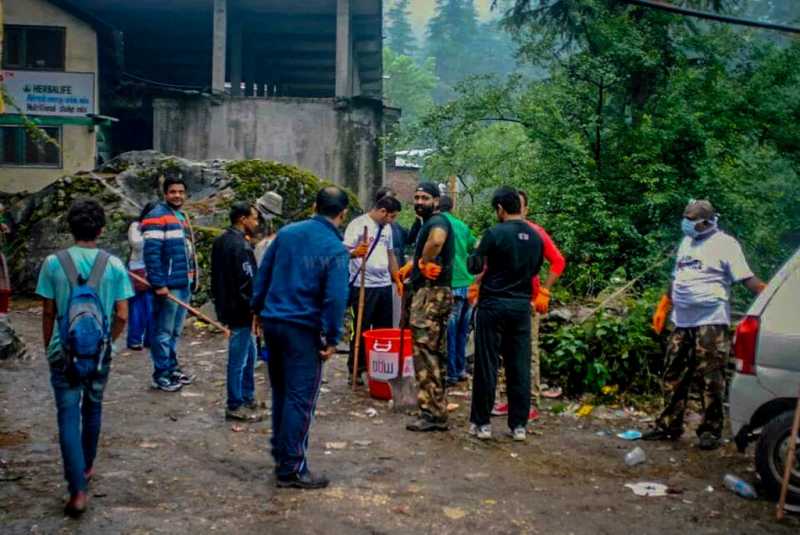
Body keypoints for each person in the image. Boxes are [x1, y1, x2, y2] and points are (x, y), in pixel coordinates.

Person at [35, 199, 134, 516]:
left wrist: (49, 346)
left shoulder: (54, 263)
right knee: (93, 408)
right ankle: (87, 467)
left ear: (71, 228)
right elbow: (122, 315)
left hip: (62, 354)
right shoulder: (114, 265)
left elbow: (48, 311)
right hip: (100, 354)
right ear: (101, 229)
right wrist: (109, 342)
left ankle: (77, 489)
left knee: (67, 416)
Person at [644, 200, 765, 450]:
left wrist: (772, 297)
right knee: (673, 373)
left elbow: (747, 279)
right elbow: (677, 277)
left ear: (708, 222)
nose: (686, 224)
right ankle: (669, 424)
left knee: (710, 377)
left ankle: (710, 430)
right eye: (685, 219)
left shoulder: (725, 244)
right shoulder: (687, 242)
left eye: (692, 220)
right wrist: (664, 304)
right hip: (682, 320)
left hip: (711, 320)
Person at [251, 186, 350, 489]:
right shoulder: (335, 248)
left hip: (274, 324)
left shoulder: (288, 233)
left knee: (282, 392)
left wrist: (257, 309)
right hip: (302, 329)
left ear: (314, 206)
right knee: (299, 398)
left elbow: (263, 273)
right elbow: (335, 298)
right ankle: (292, 468)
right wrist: (333, 337)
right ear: (342, 214)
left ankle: (283, 456)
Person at [467, 187, 543, 441]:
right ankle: (518, 425)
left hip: (493, 305)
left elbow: (475, 265)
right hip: (521, 306)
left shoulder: (494, 233)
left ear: (500, 209)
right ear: (520, 207)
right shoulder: (535, 237)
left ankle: (482, 423)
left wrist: (477, 251)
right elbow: (535, 270)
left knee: (487, 364)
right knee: (519, 365)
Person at [491, 189, 566, 418]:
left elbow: (558, 261)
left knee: (527, 353)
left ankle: (530, 402)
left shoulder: (535, 232)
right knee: (503, 352)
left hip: (528, 301)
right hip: (502, 299)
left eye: (520, 205)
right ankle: (510, 400)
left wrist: (544, 290)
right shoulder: (500, 232)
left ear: (526, 209)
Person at [400, 182, 455, 432]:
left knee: (424, 353)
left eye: (425, 198)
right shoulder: (427, 223)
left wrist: (424, 261)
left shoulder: (437, 222)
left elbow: (437, 240)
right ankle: (436, 408)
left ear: (435, 200)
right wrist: (414, 266)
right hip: (434, 293)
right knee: (434, 352)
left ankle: (431, 412)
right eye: (417, 197)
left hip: (431, 295)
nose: (419, 202)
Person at [142, 177, 198, 392]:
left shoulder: (181, 216)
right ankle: (161, 374)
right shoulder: (157, 216)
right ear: (165, 194)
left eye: (181, 192)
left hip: (184, 282)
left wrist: (193, 279)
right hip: (168, 285)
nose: (177, 195)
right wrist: (158, 283)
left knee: (174, 331)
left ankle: (172, 367)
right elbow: (152, 254)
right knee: (163, 332)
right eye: (173, 192)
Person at [343, 194, 402, 383]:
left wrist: (396, 277)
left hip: (383, 285)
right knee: (359, 328)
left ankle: (378, 368)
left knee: (382, 330)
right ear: (383, 211)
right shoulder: (358, 224)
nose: (392, 221)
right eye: (391, 216)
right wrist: (355, 253)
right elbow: (343, 251)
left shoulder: (387, 229)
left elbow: (390, 254)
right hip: (363, 286)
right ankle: (356, 368)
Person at [211, 202, 261, 421]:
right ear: (243, 219)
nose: (256, 223)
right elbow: (246, 281)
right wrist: (254, 307)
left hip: (229, 306)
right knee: (239, 358)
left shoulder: (222, 241)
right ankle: (234, 403)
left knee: (250, 353)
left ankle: (247, 396)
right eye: (254, 218)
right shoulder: (240, 246)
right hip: (241, 310)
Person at [438, 196, 477, 386]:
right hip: (468, 284)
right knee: (463, 330)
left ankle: (451, 373)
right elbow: (474, 246)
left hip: (451, 284)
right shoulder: (462, 226)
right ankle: (461, 370)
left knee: (449, 332)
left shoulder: (438, 225)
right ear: (452, 207)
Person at [126, 202, 157, 351]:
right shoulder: (135, 226)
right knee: (137, 305)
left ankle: (150, 339)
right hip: (137, 268)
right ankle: (134, 339)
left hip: (154, 269)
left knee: (152, 305)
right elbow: (137, 244)